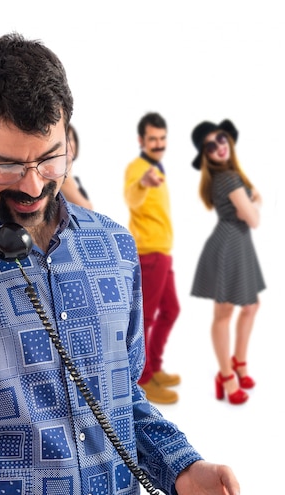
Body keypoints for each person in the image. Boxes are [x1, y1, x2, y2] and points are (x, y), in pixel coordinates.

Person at [0, 33, 240, 495]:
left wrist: (182, 469)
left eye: (49, 158)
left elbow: (120, 400)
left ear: (69, 140)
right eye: (7, 166)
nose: (34, 185)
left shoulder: (115, 247)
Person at [190, 119, 265, 405]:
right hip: (230, 244)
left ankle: (239, 363)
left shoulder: (231, 176)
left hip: (238, 243)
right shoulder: (229, 179)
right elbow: (254, 219)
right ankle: (226, 375)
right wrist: (255, 200)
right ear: (206, 155)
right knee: (224, 314)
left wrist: (251, 198)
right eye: (210, 145)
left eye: (221, 139)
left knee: (251, 305)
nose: (219, 146)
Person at [123, 112, 181, 404]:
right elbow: (132, 197)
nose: (158, 144)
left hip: (163, 251)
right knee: (146, 316)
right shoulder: (139, 168)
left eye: (162, 138)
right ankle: (144, 380)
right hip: (149, 252)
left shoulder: (158, 166)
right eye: (152, 139)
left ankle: (154, 368)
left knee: (171, 310)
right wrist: (143, 184)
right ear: (141, 141)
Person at [61, 124, 93, 208]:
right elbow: (88, 210)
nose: (66, 144)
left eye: (69, 138)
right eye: (61, 140)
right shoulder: (60, 179)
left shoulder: (74, 180)